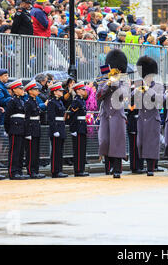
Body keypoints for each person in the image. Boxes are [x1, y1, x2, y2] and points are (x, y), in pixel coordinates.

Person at [97, 49, 130, 179]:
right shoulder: (104, 79)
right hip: (105, 114)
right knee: (105, 141)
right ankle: (109, 165)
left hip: (117, 114)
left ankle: (117, 169)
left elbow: (124, 95)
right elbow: (98, 96)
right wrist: (107, 84)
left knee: (117, 142)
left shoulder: (124, 81)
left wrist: (115, 84)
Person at [133, 56, 162, 177]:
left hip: (153, 118)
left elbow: (160, 101)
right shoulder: (139, 86)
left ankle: (150, 168)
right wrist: (137, 90)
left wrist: (148, 90)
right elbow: (130, 100)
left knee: (151, 143)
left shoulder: (158, 86)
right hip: (142, 119)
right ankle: (144, 165)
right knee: (141, 143)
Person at [4, 80, 29, 180]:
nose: (22, 90)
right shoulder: (12, 101)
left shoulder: (21, 101)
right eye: (20, 88)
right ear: (14, 90)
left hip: (21, 128)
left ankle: (19, 170)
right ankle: (13, 172)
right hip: (14, 129)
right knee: (14, 151)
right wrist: (8, 130)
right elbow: (7, 117)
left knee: (20, 152)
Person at [24, 80, 46, 179]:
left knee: (36, 151)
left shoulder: (35, 101)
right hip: (31, 128)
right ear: (30, 91)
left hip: (36, 127)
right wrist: (27, 132)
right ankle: (31, 171)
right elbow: (27, 118)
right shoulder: (28, 102)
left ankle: (35, 170)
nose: (37, 91)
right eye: (35, 89)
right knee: (31, 151)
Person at [47, 82, 68, 178]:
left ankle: (59, 169)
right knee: (55, 151)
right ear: (55, 92)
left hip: (61, 126)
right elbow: (51, 118)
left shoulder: (59, 101)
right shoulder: (51, 102)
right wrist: (54, 130)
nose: (62, 92)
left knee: (60, 151)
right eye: (60, 91)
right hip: (56, 127)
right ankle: (55, 171)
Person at [69, 81, 89, 177]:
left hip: (82, 126)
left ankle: (81, 169)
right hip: (77, 127)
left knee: (82, 149)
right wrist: (73, 130)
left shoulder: (81, 100)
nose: (84, 91)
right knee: (78, 150)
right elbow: (72, 116)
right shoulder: (76, 101)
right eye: (82, 89)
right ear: (77, 91)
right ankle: (78, 170)